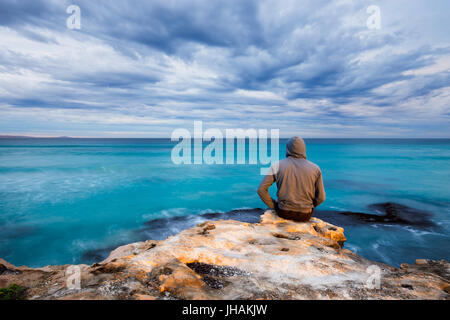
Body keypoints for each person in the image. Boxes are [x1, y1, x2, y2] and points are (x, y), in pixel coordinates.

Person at [257, 136, 325, 222]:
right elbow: (321, 198)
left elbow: (261, 190)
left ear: (288, 149)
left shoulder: (277, 166)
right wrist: (308, 206)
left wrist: (274, 205)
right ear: (303, 149)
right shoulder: (315, 168)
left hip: (284, 212)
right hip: (305, 215)